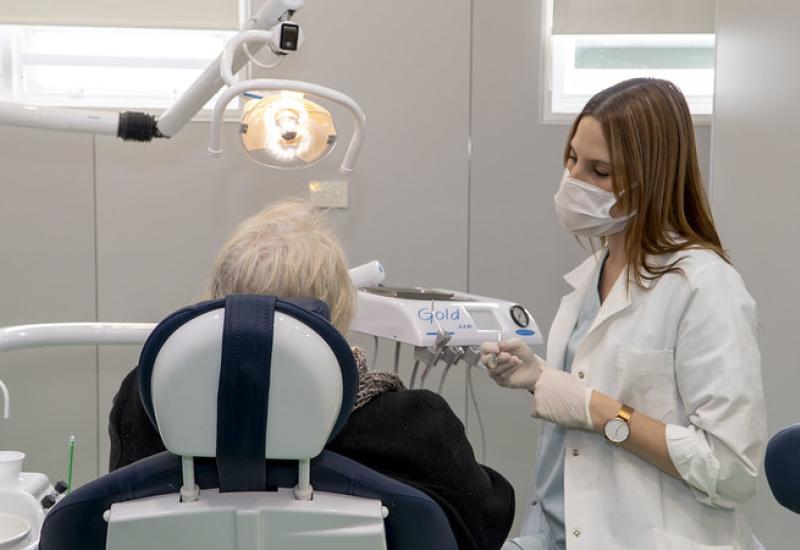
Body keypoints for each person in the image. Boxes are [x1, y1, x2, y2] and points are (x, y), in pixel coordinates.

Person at [109, 198, 514, 550]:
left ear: (217, 307)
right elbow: (480, 528)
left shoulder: (149, 406)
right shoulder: (415, 424)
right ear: (339, 313)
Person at [480, 79, 766, 550]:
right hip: (559, 531)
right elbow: (600, 389)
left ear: (651, 178)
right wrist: (540, 378)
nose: (574, 181)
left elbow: (732, 470)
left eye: (600, 171)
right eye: (572, 159)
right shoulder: (592, 275)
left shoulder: (704, 285)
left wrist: (597, 410)